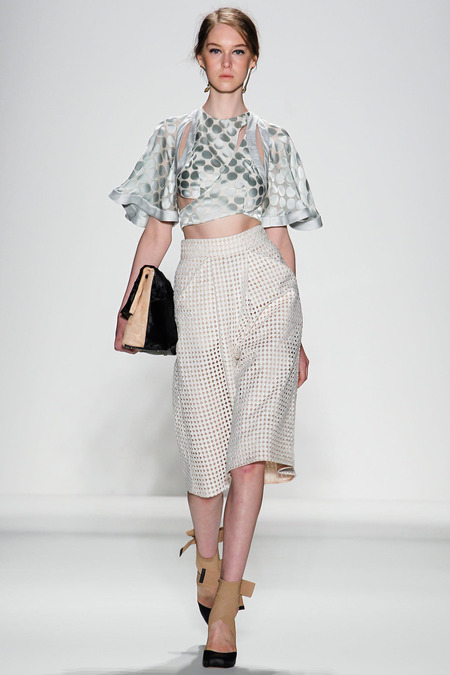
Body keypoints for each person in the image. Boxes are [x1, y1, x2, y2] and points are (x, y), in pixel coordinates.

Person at [108, 6, 323, 669]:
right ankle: (207, 563)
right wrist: (129, 306)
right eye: (215, 50)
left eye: (238, 51)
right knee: (204, 453)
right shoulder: (172, 137)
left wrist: (299, 335)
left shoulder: (274, 141)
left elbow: (281, 237)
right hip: (200, 286)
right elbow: (157, 232)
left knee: (249, 456)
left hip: (265, 288)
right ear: (200, 57)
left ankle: (226, 606)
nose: (226, 61)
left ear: (252, 60)